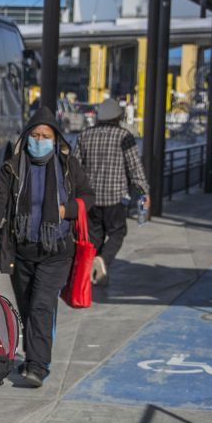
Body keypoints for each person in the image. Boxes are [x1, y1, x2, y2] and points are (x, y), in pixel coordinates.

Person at [0, 106, 95, 388]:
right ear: (27, 137)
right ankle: (34, 355)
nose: (39, 140)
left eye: (45, 136)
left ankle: (37, 366)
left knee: (42, 305)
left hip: (57, 250)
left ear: (56, 140)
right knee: (28, 306)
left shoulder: (69, 166)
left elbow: (88, 197)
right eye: (35, 134)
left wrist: (65, 210)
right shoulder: (13, 166)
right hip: (22, 249)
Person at [73, 98, 149, 286]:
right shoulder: (124, 136)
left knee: (94, 237)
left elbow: (75, 167)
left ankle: (95, 274)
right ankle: (103, 261)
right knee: (118, 232)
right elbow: (135, 169)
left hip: (89, 199)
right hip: (115, 197)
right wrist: (143, 193)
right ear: (118, 117)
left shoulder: (85, 135)